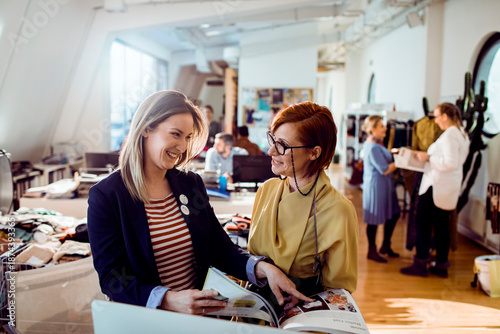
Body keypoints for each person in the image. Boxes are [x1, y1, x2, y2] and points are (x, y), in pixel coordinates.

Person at [87, 90, 311, 315]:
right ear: (146, 127)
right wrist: (168, 299)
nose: (183, 147)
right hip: (148, 320)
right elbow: (113, 279)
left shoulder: (190, 184)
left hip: (198, 319)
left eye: (187, 137)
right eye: (176, 134)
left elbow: (219, 247)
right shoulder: (107, 196)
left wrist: (263, 268)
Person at [248, 101, 358, 311]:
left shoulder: (338, 209)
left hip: (300, 315)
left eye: (282, 145)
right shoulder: (266, 190)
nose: (271, 151)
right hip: (254, 308)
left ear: (314, 153)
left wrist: (311, 303)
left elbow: (339, 289)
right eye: (272, 139)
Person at [400, 102, 469, 278]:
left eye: (437, 117)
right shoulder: (461, 133)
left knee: (422, 223)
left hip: (436, 186)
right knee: (441, 226)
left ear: (445, 116)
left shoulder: (451, 135)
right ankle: (441, 264)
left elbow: (450, 162)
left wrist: (428, 157)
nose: (435, 121)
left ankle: (421, 263)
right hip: (447, 186)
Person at [361, 115, 400, 263]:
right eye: (382, 126)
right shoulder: (372, 146)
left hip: (385, 186)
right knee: (374, 220)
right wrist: (402, 160)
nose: (385, 128)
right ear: (373, 129)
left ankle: (385, 245)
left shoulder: (377, 144)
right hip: (376, 187)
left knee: (394, 214)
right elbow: (384, 169)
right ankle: (372, 250)